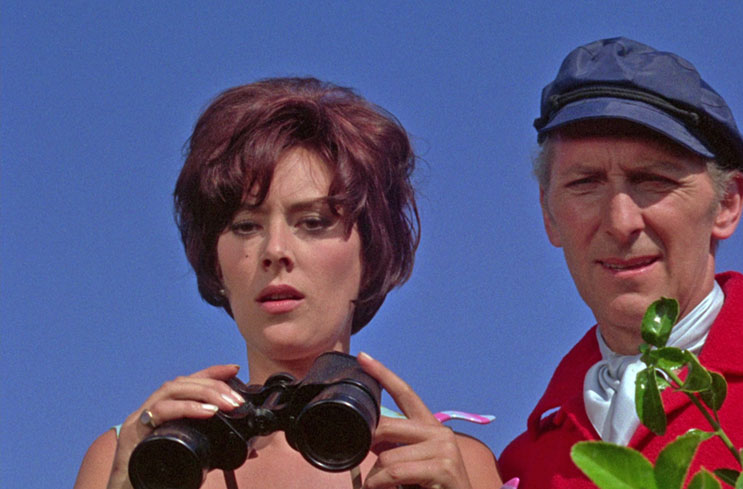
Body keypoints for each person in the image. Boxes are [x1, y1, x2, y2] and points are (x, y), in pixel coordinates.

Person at [497, 37, 743, 488]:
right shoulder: (521, 465)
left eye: (652, 180)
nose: (620, 221)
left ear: (727, 203)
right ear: (549, 214)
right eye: (585, 183)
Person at [74, 77, 502, 489]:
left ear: (372, 256)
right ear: (216, 264)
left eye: (313, 222)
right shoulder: (132, 459)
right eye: (245, 225)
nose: (274, 250)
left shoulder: (448, 464)